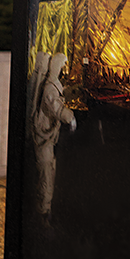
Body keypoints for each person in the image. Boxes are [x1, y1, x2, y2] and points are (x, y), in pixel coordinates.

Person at [31, 52, 76, 226]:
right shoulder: (50, 89)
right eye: (64, 66)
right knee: (46, 177)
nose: (65, 70)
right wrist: (70, 118)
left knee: (48, 173)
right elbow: (56, 108)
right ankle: (43, 215)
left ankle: (43, 209)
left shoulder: (53, 85)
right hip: (43, 140)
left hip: (47, 139)